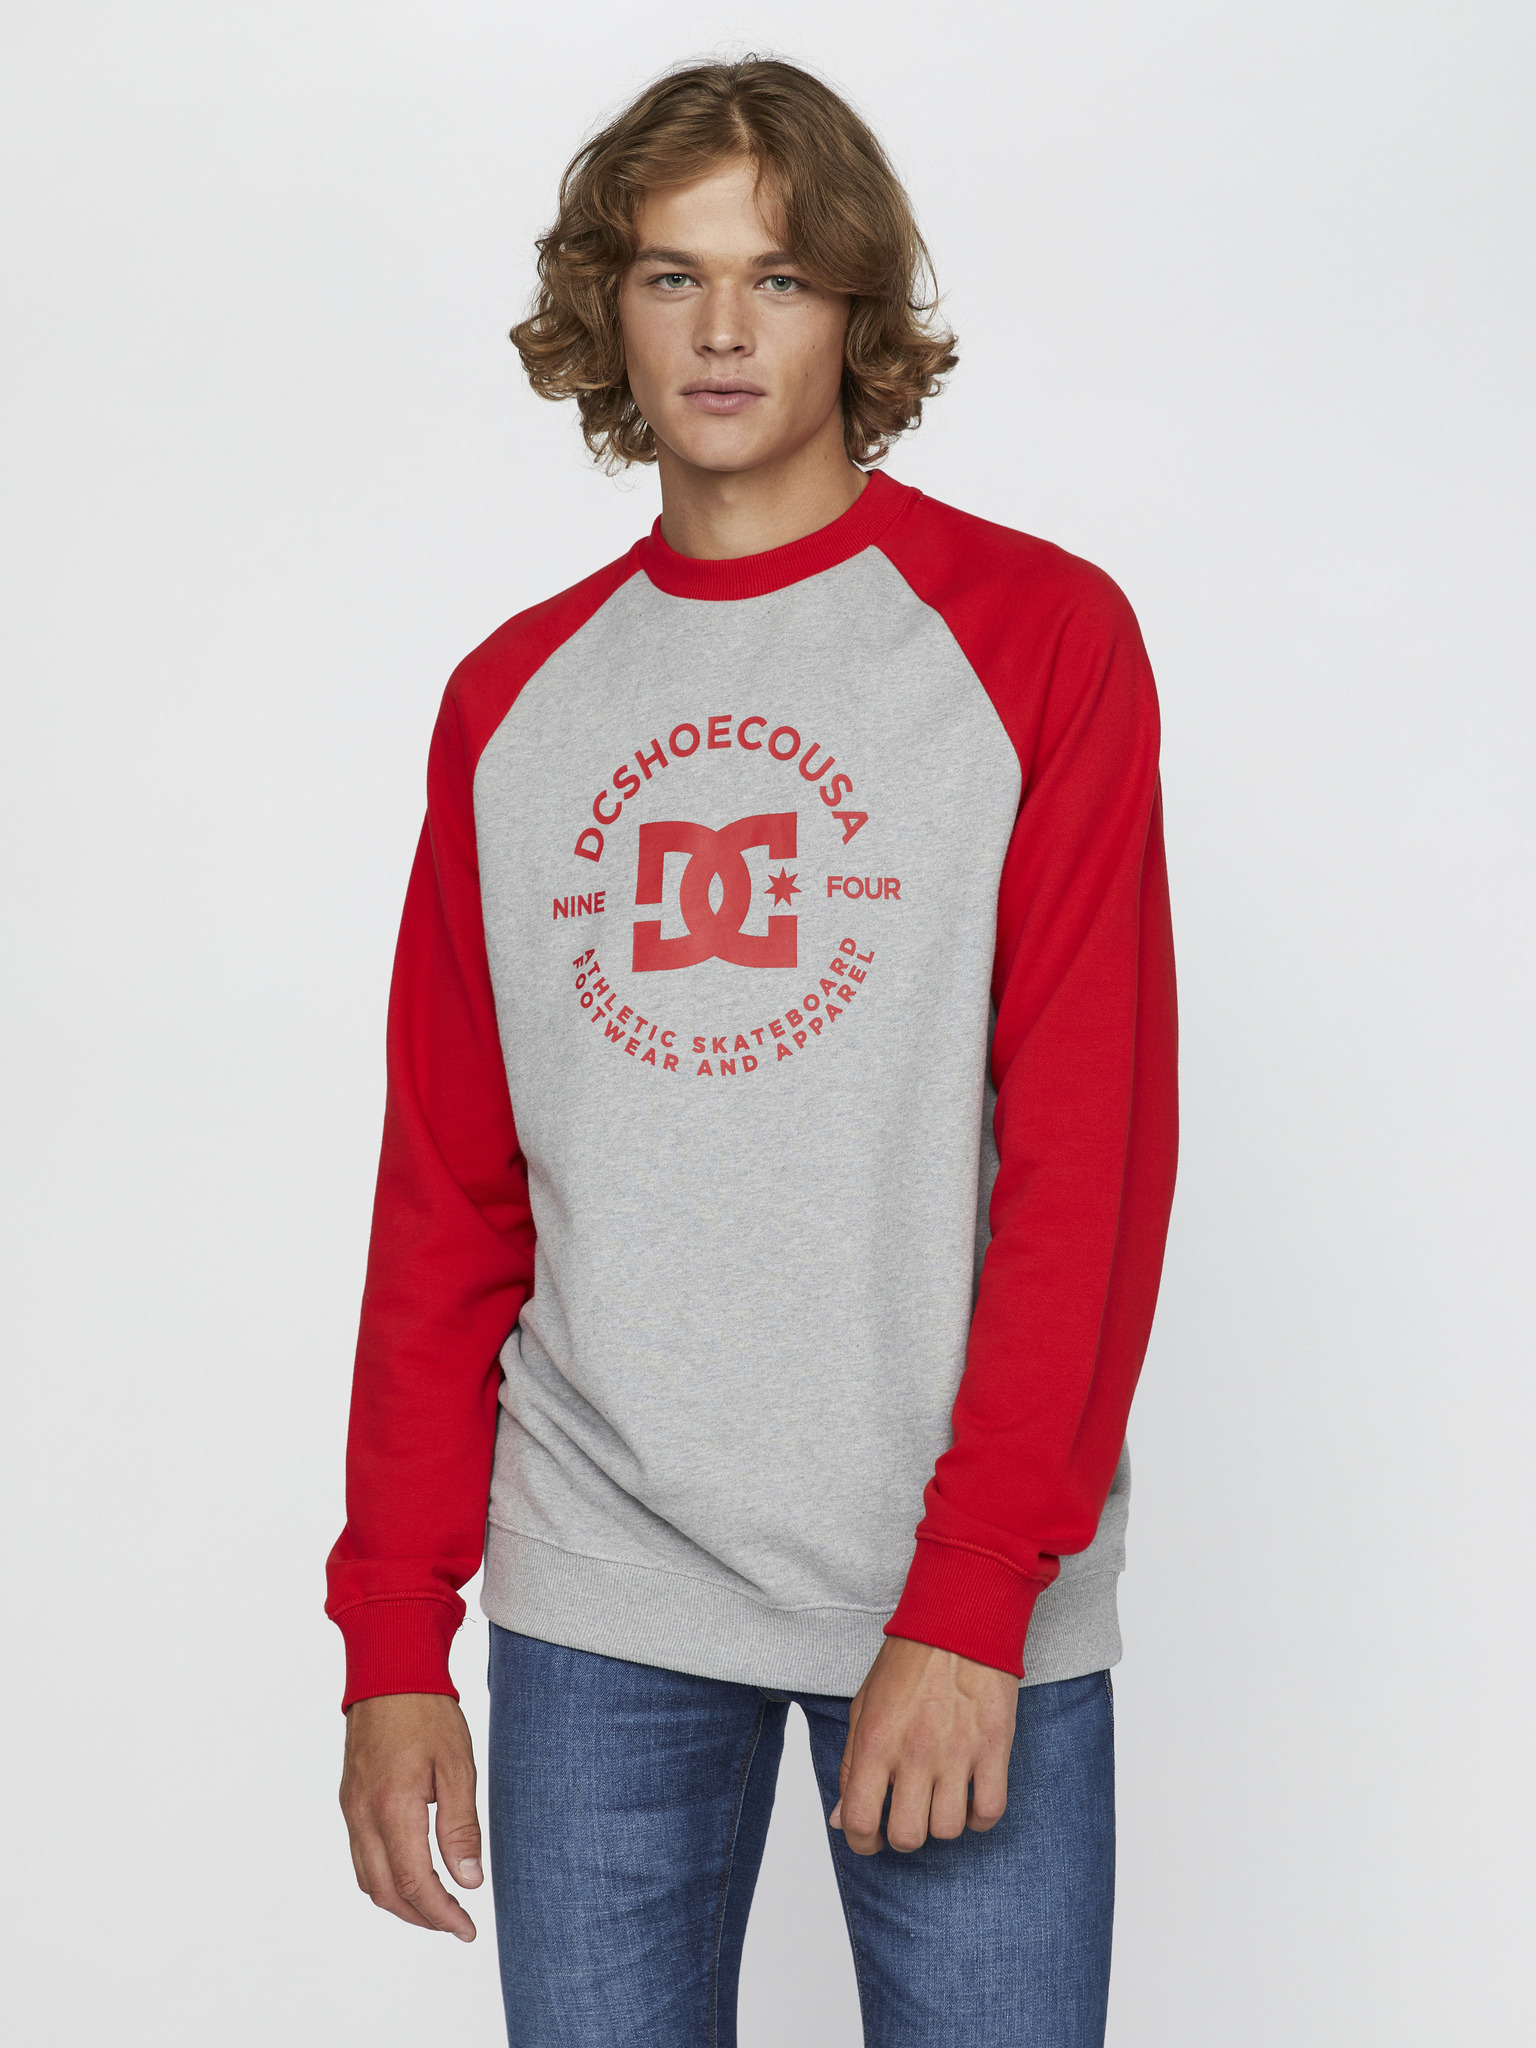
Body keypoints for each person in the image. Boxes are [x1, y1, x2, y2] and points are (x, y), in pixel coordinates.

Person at [328, 56, 1178, 2048]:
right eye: (671, 274)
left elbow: (1092, 1160)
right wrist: (392, 1633)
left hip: (950, 1590)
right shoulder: (511, 701)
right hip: (596, 1594)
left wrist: (974, 1593)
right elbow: (451, 1192)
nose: (721, 328)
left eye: (778, 277)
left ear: (855, 309)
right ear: (606, 310)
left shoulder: (1040, 640)